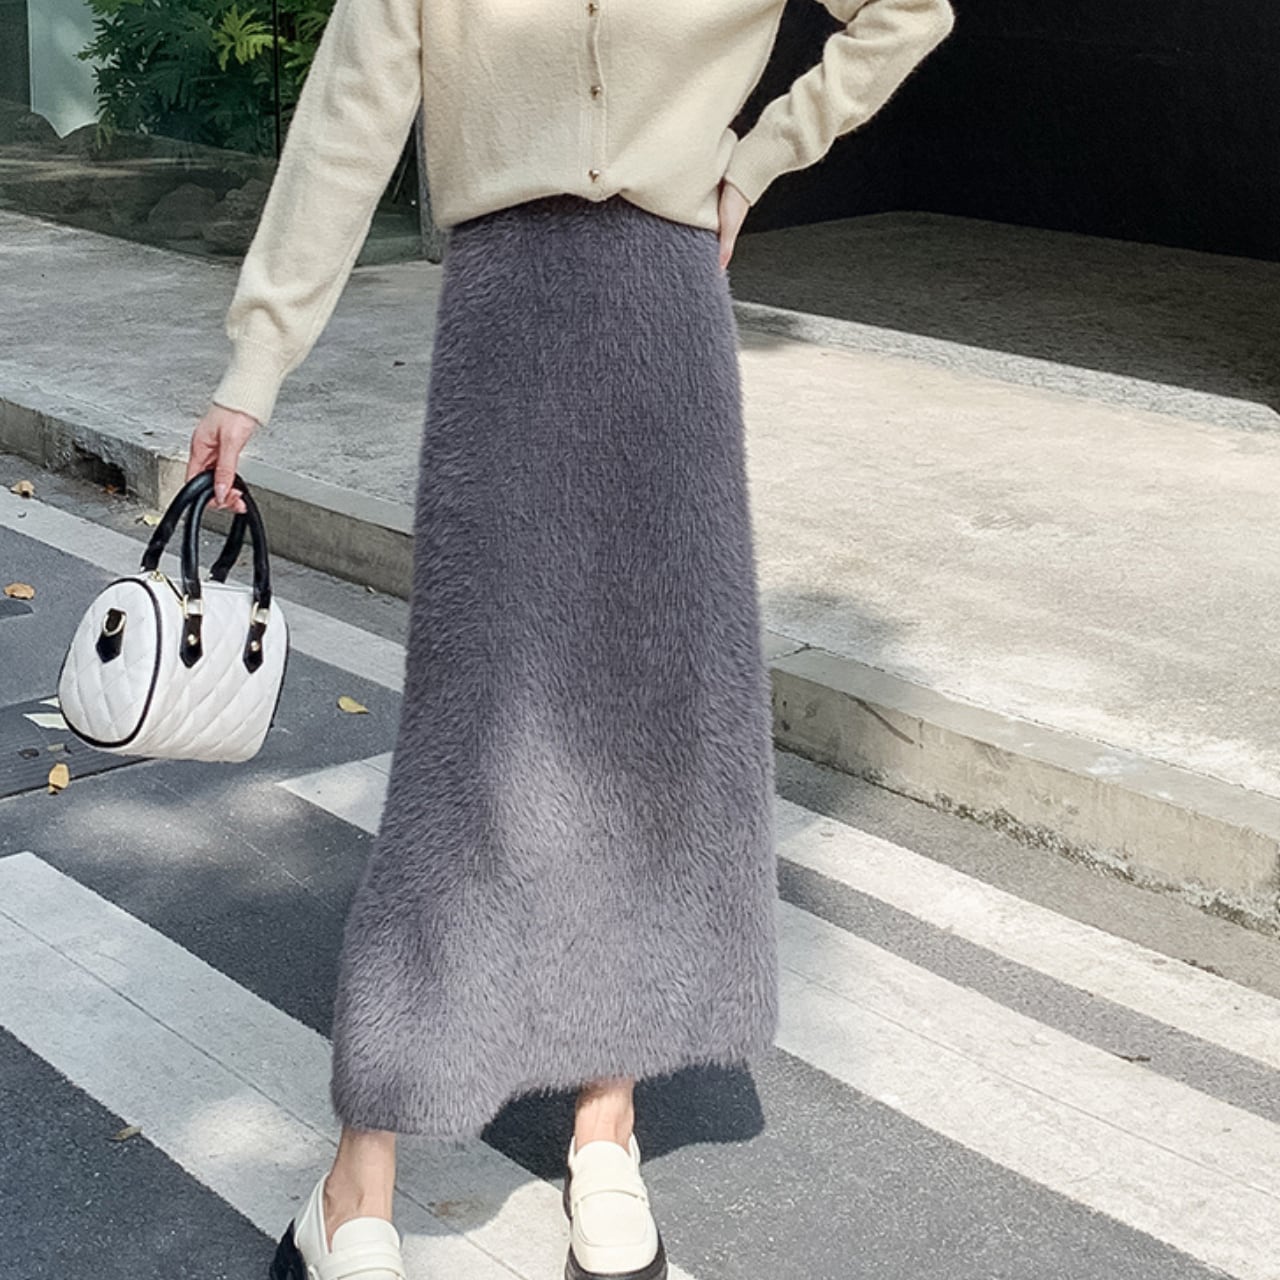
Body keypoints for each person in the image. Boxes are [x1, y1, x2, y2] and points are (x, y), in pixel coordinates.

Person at [186, 1, 956, 1277]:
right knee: (469, 737)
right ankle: (359, 1169)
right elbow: (349, 112)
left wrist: (756, 158)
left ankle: (608, 1122)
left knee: (650, 727)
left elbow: (907, 12)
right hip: (505, 311)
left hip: (665, 306)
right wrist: (253, 366)